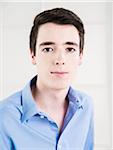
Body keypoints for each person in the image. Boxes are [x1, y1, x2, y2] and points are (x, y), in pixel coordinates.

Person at [0, 8, 94, 150]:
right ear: (33, 55)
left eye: (70, 49)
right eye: (48, 49)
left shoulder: (86, 106)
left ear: (80, 56)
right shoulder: (4, 116)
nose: (60, 60)